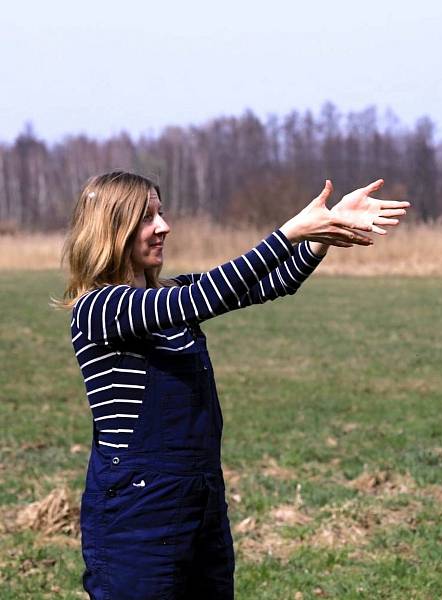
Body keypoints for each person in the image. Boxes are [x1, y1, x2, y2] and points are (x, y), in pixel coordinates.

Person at [57, 171, 410, 599]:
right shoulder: (99, 308)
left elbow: (269, 284)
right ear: (112, 229)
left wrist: (324, 232)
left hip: (198, 499)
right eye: (147, 217)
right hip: (136, 514)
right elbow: (205, 295)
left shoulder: (169, 296)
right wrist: (291, 231)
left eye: (161, 213)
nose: (163, 226)